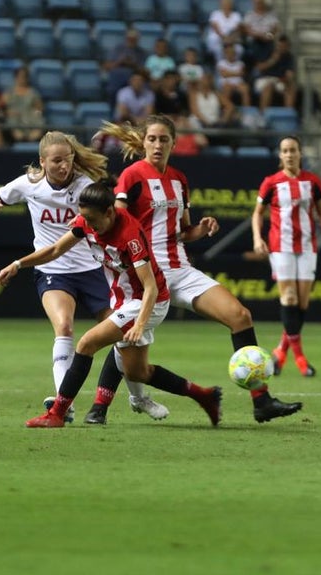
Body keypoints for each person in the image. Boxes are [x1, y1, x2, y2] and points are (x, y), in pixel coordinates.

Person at [98, 116, 304, 423]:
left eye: (164, 139)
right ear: (143, 142)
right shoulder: (132, 176)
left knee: (240, 316)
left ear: (174, 142)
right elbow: (118, 224)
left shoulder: (179, 180)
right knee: (126, 337)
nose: (157, 145)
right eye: (152, 139)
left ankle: (261, 401)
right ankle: (99, 407)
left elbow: (183, 232)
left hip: (180, 269)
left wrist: (201, 229)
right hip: (145, 275)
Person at [0, 183, 223, 429]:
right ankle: (205, 395)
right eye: (84, 218)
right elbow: (55, 250)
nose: (88, 225)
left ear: (109, 212)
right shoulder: (87, 222)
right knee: (137, 372)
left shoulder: (130, 236)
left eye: (93, 220)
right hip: (124, 301)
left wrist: (140, 324)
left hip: (146, 302)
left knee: (86, 344)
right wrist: (18, 264)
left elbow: (151, 287)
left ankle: (57, 414)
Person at [0, 132, 170, 425]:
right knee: (65, 327)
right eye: (56, 161)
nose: (63, 166)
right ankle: (63, 402)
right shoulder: (28, 185)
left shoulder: (86, 186)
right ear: (42, 161)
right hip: (53, 270)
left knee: (120, 335)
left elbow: (113, 212)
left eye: (67, 160)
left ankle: (138, 396)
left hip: (94, 270)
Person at [251, 136, 321, 378]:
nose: (289, 154)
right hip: (281, 246)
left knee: (302, 304)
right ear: (280, 155)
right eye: (285, 151)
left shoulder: (312, 181)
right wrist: (258, 238)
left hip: (308, 246)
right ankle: (300, 359)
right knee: (289, 298)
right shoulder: (271, 182)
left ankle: (281, 351)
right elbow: (257, 213)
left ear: (300, 153)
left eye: (293, 150)